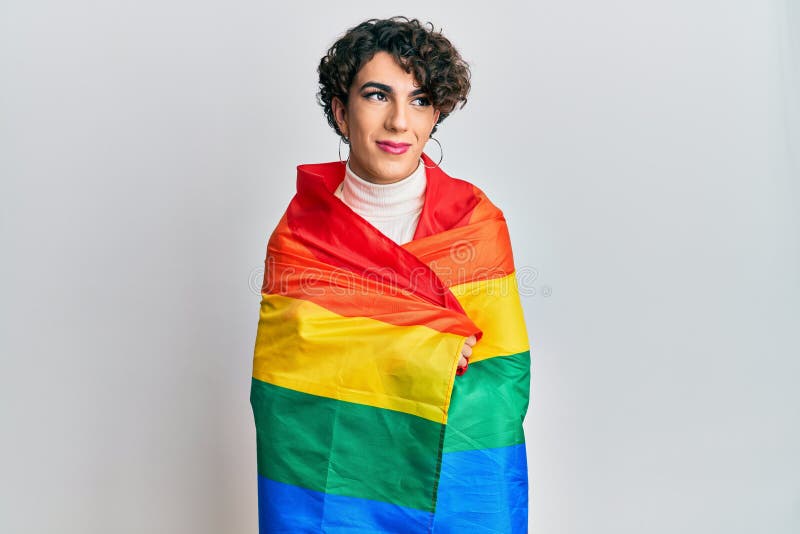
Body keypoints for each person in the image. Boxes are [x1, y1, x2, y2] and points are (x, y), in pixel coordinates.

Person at [251, 16, 531, 533]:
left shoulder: (476, 225)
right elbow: (285, 388)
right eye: (378, 95)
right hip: (331, 492)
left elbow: (500, 382)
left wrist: (383, 343)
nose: (400, 121)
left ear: (434, 115)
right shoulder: (298, 236)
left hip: (451, 486)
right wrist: (426, 345)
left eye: (420, 100)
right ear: (341, 111)